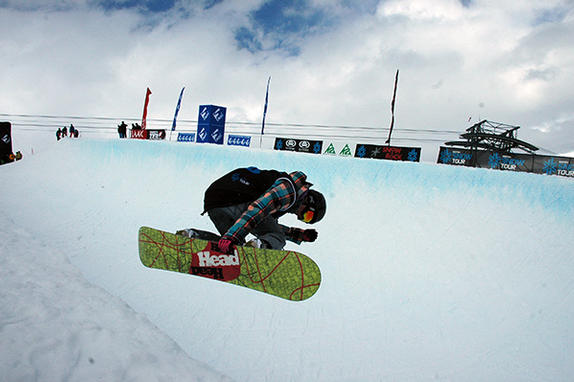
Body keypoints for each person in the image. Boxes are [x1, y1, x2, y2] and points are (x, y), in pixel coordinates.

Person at [178, 167, 326, 252]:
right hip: (236, 197)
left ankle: (192, 236)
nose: (300, 216)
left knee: (234, 249)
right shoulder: (289, 190)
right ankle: (259, 247)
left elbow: (263, 222)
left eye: (305, 220)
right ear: (307, 200)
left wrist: (296, 235)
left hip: (215, 202)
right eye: (307, 214)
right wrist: (233, 235)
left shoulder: (285, 195)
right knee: (277, 238)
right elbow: (257, 209)